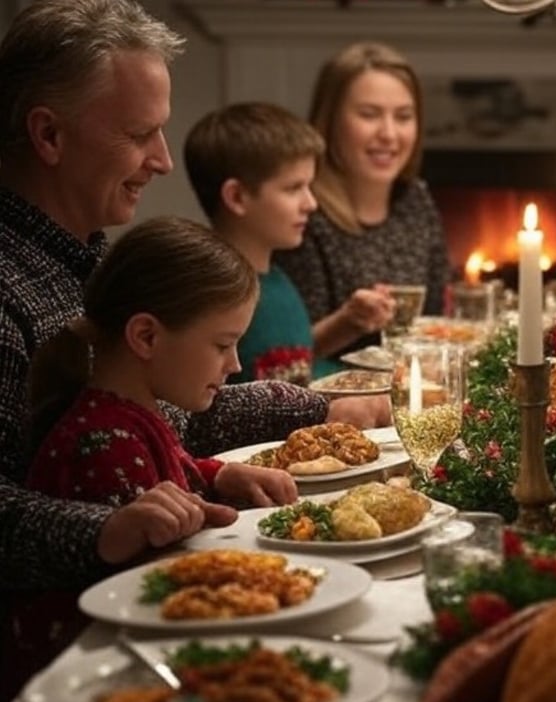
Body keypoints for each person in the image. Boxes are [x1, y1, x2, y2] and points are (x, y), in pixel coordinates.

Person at [0, 1, 381, 599]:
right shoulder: (7, 292)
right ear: (48, 134)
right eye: (137, 134)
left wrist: (308, 413)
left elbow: (160, 413)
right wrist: (106, 530)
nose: (163, 160)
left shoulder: (90, 257)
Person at [27, 216, 297, 507]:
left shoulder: (137, 417)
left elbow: (172, 473)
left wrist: (217, 476)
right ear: (146, 337)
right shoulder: (105, 451)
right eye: (222, 345)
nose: (235, 365)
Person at [275, 41, 450, 359]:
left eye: (403, 116)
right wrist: (347, 322)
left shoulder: (416, 200)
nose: (389, 133)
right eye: (369, 114)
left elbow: (438, 316)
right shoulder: (303, 212)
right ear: (329, 121)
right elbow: (282, 357)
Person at [184, 102, 345, 384]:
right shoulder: (213, 297)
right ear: (237, 197)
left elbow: (299, 374)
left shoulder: (280, 283)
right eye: (293, 188)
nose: (311, 203)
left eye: (309, 186)